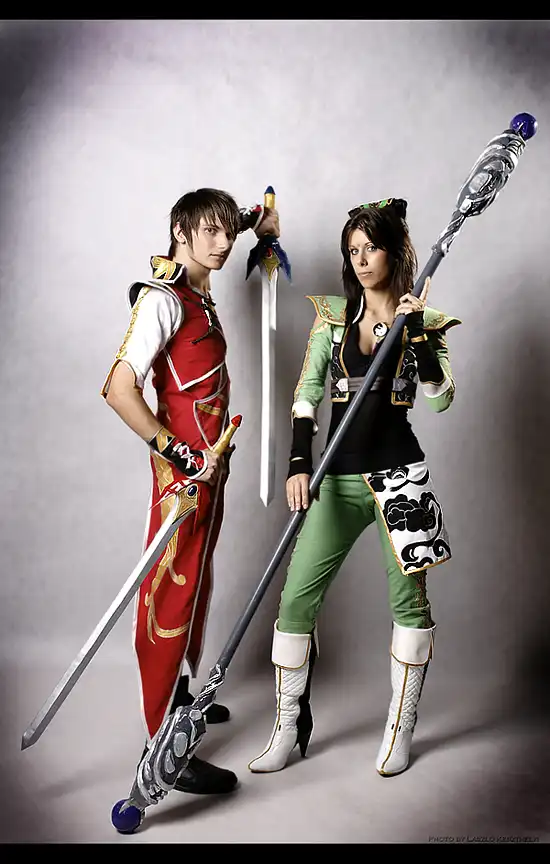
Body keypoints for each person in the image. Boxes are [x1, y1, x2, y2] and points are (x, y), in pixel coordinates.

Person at [248, 197, 460, 777]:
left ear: (395, 251)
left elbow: (441, 399)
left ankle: (399, 730)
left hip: (401, 479)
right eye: (353, 251)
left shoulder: (423, 321)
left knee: (410, 604)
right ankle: (287, 729)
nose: (361, 260)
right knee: (295, 601)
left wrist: (416, 335)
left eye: (371, 248)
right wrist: (298, 463)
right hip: (335, 479)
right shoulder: (333, 317)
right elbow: (306, 395)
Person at [101, 188, 279, 794]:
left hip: (212, 472)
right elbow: (119, 388)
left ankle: (180, 698)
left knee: (197, 586)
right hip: (182, 481)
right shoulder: (164, 299)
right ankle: (161, 745)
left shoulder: (200, 284)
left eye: (229, 231)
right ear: (180, 231)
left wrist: (259, 221)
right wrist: (180, 455)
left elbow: (236, 223)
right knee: (170, 595)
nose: (223, 242)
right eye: (210, 231)